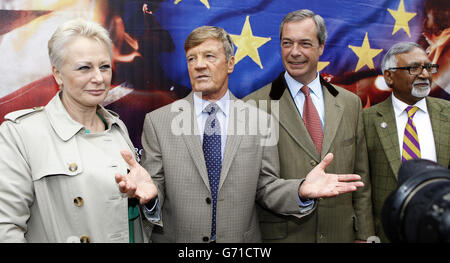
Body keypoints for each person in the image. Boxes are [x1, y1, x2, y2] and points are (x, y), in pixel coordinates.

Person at [115, 25, 365, 243]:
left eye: (209, 56)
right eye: (192, 58)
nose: (199, 65)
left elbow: (266, 188)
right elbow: (153, 184)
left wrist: (299, 191)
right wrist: (150, 197)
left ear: (231, 64)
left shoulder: (260, 121)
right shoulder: (158, 121)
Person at [0, 18, 151, 243]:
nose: (99, 78)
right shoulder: (22, 133)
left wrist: (148, 201)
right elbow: (6, 228)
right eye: (84, 68)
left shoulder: (118, 130)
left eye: (104, 67)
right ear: (58, 74)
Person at [244, 9, 374, 242]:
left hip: (340, 234)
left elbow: (361, 177)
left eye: (305, 43)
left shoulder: (350, 103)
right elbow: (251, 185)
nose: (295, 52)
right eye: (287, 43)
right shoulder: (253, 106)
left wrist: (365, 234)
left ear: (321, 47)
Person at [363, 41, 450, 242]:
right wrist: (366, 234)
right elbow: (361, 187)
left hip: (440, 231)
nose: (425, 75)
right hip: (385, 233)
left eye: (428, 67)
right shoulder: (366, 120)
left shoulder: (448, 114)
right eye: (414, 68)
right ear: (389, 76)